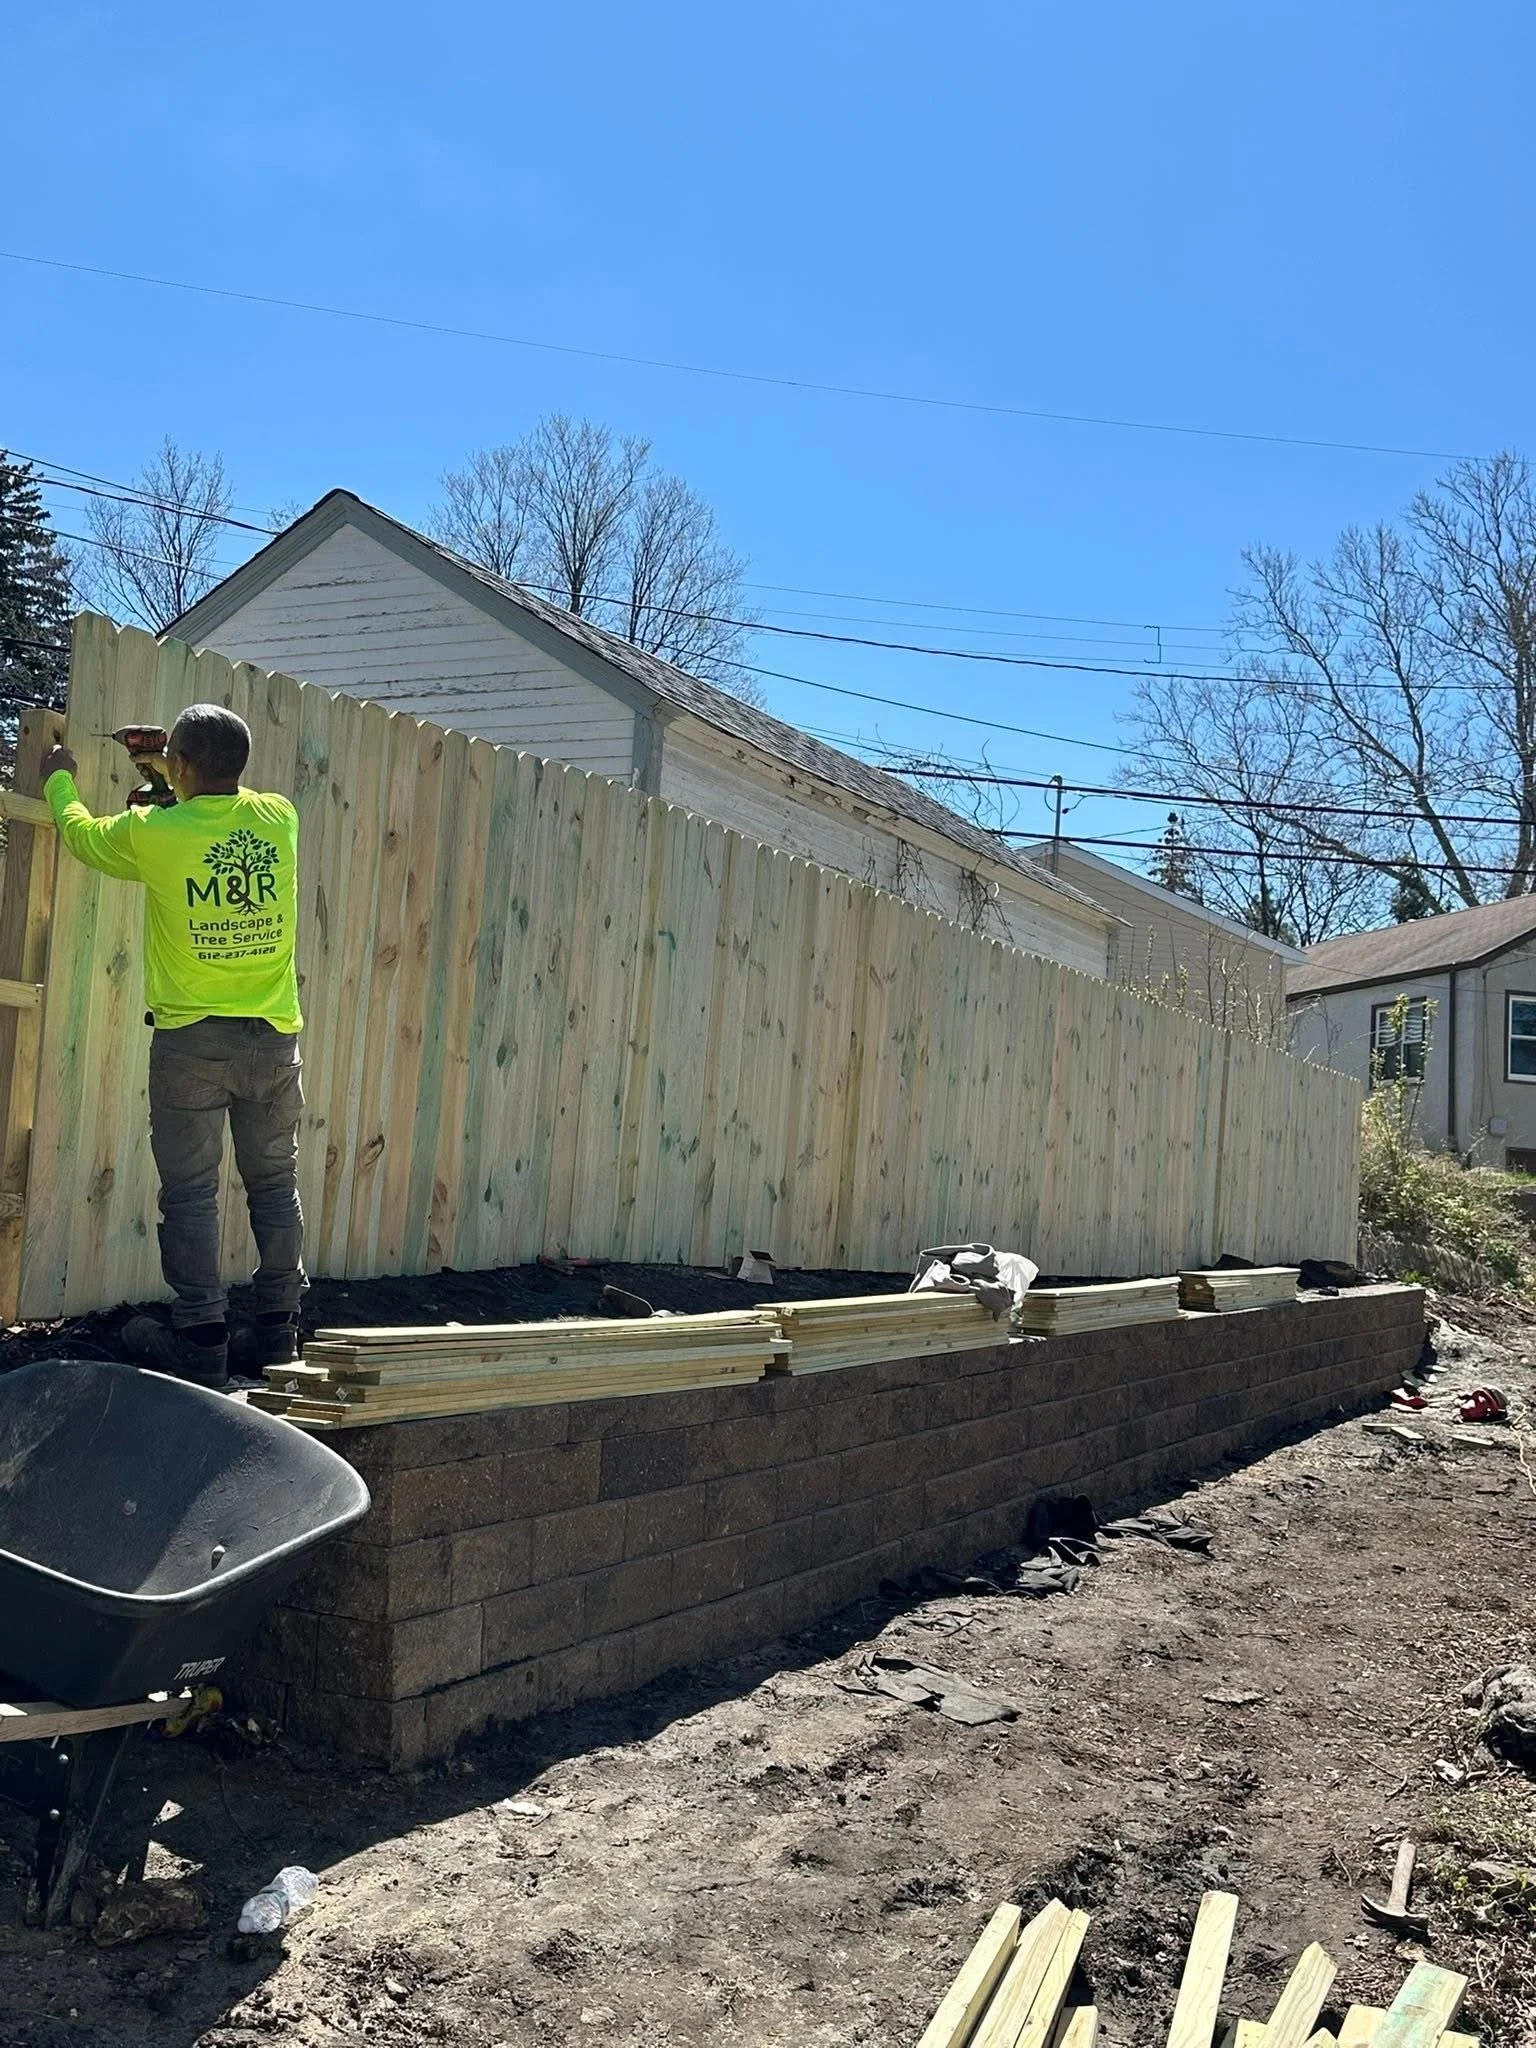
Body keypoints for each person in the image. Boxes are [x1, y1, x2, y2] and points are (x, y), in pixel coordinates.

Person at [41, 705, 306, 1388]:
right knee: (275, 1186)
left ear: (182, 765)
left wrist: (59, 780)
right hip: (273, 1039)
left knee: (190, 1195)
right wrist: (166, 779)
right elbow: (204, 816)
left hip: (192, 1042)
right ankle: (279, 1335)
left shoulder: (152, 834)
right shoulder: (279, 818)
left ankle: (201, 1339)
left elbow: (82, 836)